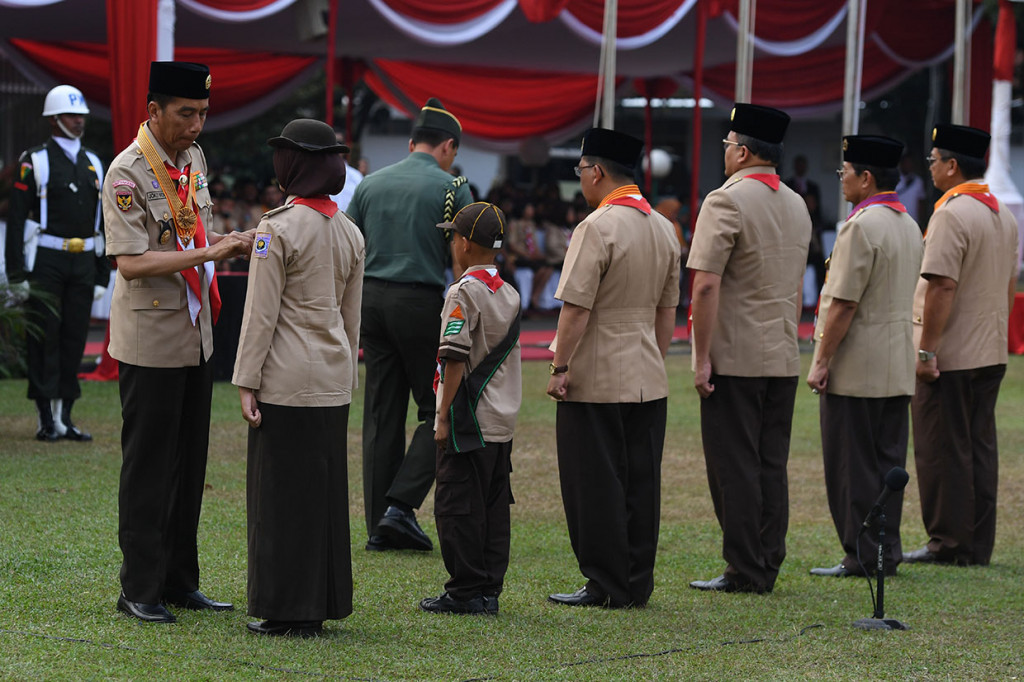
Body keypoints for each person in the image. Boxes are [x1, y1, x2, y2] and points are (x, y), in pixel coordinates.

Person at [104, 61, 252, 624]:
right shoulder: (127, 173)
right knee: (149, 465)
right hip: (151, 337)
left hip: (196, 332)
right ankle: (138, 587)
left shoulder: (192, 159)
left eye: (204, 114)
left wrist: (229, 241)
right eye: (186, 114)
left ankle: (179, 580)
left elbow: (193, 229)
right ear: (154, 111)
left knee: (190, 464)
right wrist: (208, 254)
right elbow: (131, 262)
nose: (196, 125)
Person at [233, 119, 364, 637]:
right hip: (332, 377)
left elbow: (259, 316)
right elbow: (351, 318)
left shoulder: (277, 228)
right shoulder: (351, 231)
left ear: (295, 165)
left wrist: (246, 379)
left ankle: (286, 607)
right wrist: (346, 373)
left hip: (285, 379)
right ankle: (322, 603)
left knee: (280, 496)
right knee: (325, 496)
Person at [546, 128, 680, 609]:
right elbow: (668, 311)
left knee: (594, 483)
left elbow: (576, 308)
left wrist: (560, 364)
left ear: (596, 171)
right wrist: (653, 358)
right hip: (647, 372)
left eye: (581, 171)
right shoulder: (663, 226)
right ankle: (635, 581)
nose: (581, 180)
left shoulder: (597, 227)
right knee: (641, 483)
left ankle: (605, 582)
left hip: (597, 375)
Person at [688, 103, 810, 594]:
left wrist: (700, 356)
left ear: (741, 151)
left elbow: (704, 286)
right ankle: (767, 559)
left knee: (733, 464)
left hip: (735, 355)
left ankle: (745, 567)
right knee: (769, 463)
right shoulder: (797, 203)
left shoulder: (727, 200)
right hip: (781, 351)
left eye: (727, 145)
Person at [347, 98, 473, 552]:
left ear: (411, 143)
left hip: (371, 301)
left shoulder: (371, 184)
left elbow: (348, 245)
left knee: (381, 413)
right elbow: (465, 259)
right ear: (449, 146)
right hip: (419, 301)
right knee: (442, 405)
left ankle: (380, 523)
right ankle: (400, 507)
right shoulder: (453, 185)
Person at [806, 135, 923, 578]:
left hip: (857, 367)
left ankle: (862, 554)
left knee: (852, 468)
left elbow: (844, 304)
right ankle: (884, 551)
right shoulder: (907, 223)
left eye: (846, 172)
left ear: (866, 177)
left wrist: (821, 360)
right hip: (895, 363)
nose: (842, 180)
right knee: (888, 466)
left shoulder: (862, 225)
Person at [904, 124, 1019, 567]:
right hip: (989, 349)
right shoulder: (1001, 214)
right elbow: (1008, 285)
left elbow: (941, 287)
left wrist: (927, 349)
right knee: (979, 448)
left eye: (934, 159)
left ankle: (949, 543)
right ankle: (976, 543)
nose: (930, 167)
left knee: (942, 448)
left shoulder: (952, 213)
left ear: (952, 166)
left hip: (951, 354)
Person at [421, 201, 521, 615]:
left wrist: (442, 416)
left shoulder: (464, 292)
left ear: (463, 242)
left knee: (457, 503)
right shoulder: (510, 292)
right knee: (494, 504)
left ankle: (464, 591)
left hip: (469, 419)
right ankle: (487, 588)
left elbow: (455, 356)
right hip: (501, 418)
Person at [4, 84, 111, 441]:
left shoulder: (95, 162)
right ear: (53, 120)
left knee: (75, 336)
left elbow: (102, 221)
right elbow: (17, 222)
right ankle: (45, 417)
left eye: (80, 115)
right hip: (47, 259)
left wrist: (100, 272)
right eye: (70, 115)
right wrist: (17, 273)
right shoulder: (33, 160)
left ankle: (66, 414)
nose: (78, 121)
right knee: (44, 337)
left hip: (82, 260)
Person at [328, 128, 363, 212]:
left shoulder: (356, 176)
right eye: (332, 144)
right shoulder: (317, 175)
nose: (335, 148)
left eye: (339, 143)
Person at [895, 155, 927, 227]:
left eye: (910, 163)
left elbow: (921, 203)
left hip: (913, 222)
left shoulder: (918, 181)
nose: (908, 165)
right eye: (906, 163)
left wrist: (922, 221)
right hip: (897, 221)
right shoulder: (895, 180)